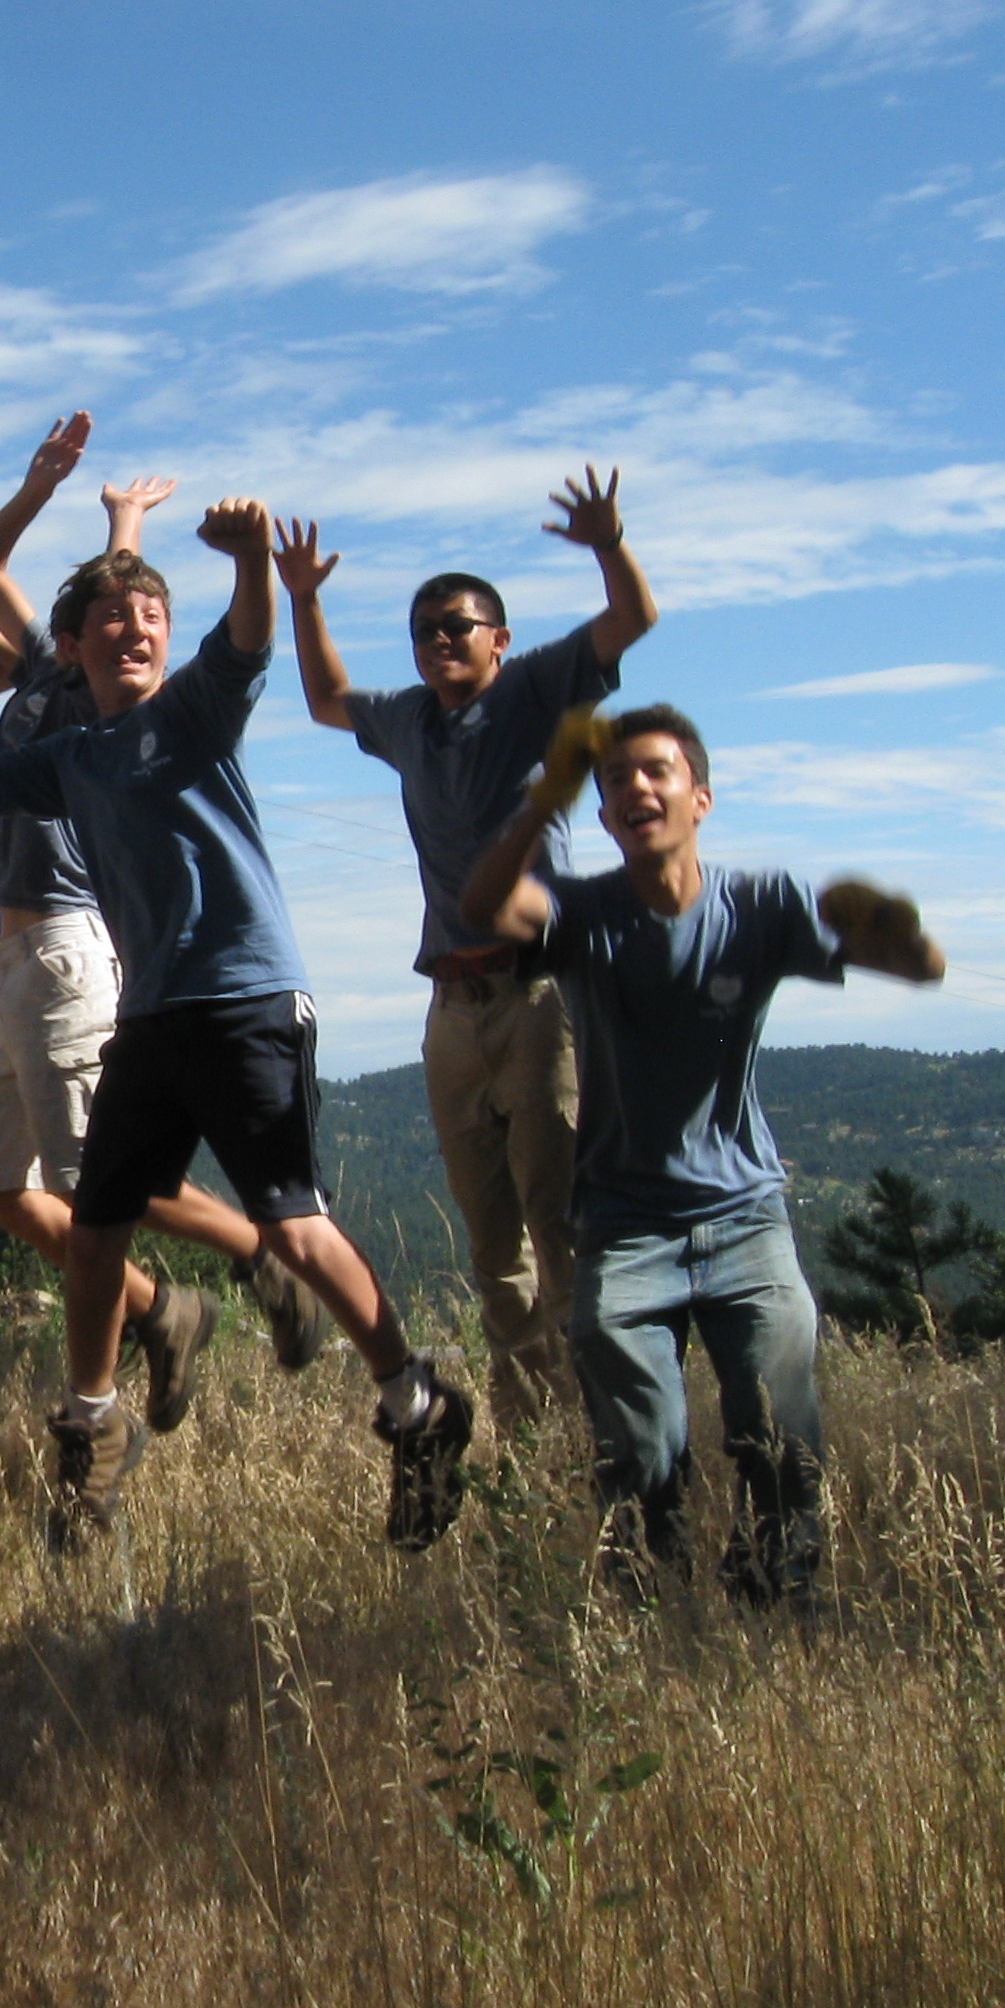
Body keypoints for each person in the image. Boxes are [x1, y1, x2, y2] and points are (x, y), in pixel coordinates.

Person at [0, 502, 470, 1553]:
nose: (135, 629)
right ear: (70, 649)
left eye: (151, 613)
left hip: (250, 998)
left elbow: (250, 636)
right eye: (111, 619)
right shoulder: (73, 755)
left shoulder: (201, 708)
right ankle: (91, 1431)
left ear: (169, 635)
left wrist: (255, 558)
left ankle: (415, 1405)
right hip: (151, 1011)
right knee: (94, 1229)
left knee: (295, 1226)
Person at [460, 702, 943, 1600]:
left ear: (701, 798)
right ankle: (653, 1602)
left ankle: (780, 1594)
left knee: (782, 1432)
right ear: (601, 818)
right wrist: (540, 804)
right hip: (625, 1224)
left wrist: (894, 932)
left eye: (656, 771)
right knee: (641, 1451)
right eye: (614, 781)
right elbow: (484, 903)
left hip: (744, 1216)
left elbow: (925, 970)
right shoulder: (582, 910)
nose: (636, 788)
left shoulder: (761, 905)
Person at [0, 421, 340, 1387]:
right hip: (9, 955)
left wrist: (124, 522)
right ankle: (166, 1313)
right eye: (89, 621)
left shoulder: (106, 699)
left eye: (118, 618)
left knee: (103, 1181)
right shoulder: (50, 667)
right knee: (8, 1192)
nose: (107, 628)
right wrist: (45, 488)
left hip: (71, 943)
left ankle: (262, 1259)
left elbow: (124, 605)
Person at [276, 465, 658, 1429]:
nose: (442, 639)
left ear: (501, 640)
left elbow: (632, 622)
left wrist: (609, 543)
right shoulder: (408, 720)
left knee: (561, 1231)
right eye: (426, 630)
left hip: (539, 1001)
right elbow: (324, 695)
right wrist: (305, 599)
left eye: (460, 625)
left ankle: (602, 1439)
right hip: (451, 1006)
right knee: (495, 1250)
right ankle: (534, 1442)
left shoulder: (533, 694)